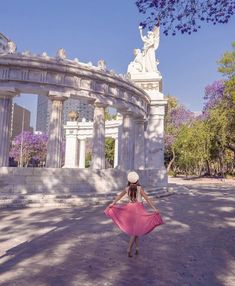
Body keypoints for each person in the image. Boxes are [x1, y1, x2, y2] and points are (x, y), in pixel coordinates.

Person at [104, 171, 164, 257]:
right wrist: (155, 209)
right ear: (137, 179)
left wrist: (113, 203)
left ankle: (137, 249)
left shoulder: (127, 188)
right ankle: (129, 248)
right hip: (138, 209)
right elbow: (147, 199)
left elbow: (119, 196)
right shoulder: (139, 188)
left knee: (136, 230)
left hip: (130, 209)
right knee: (135, 231)